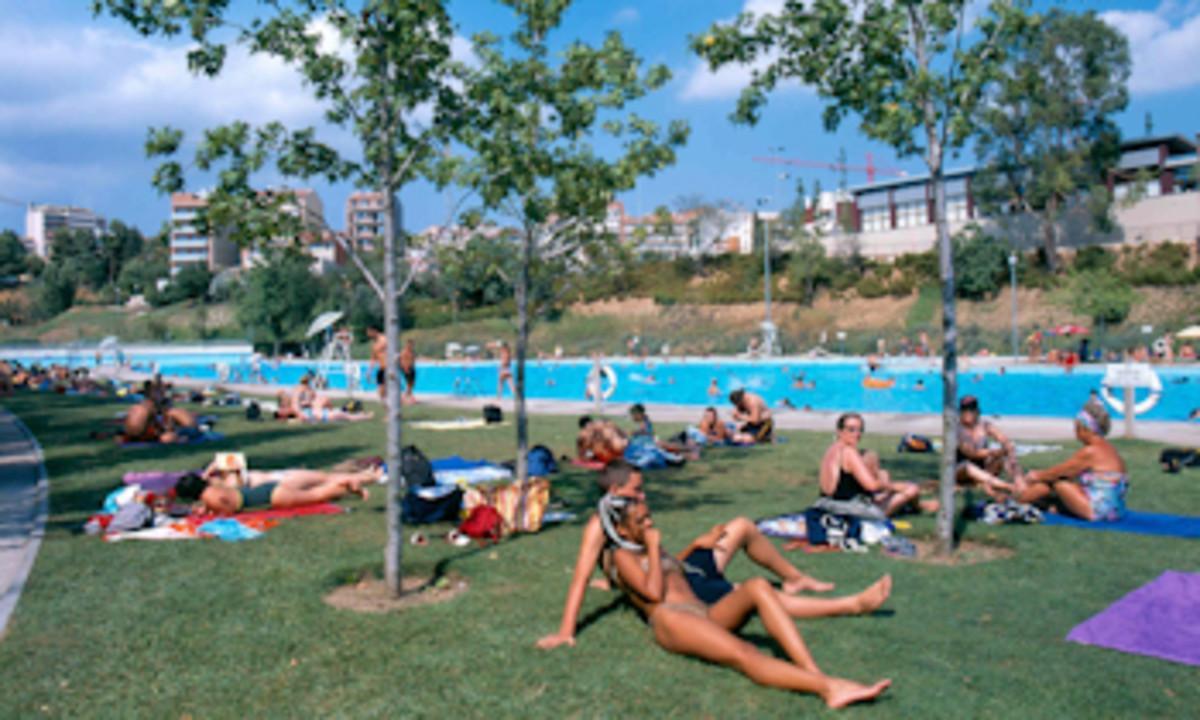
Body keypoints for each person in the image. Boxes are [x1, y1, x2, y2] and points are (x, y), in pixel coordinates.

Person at [537, 463, 893, 654]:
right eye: (636, 490)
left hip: (685, 568)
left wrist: (696, 544)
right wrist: (567, 632)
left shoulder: (630, 524)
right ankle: (849, 604)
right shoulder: (600, 526)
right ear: (615, 493)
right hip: (688, 588)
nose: (643, 495)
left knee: (740, 526)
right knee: (752, 594)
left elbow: (664, 565)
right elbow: (580, 577)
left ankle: (796, 576)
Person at [598, 495, 891, 709]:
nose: (649, 524)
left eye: (649, 516)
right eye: (641, 521)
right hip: (673, 618)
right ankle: (829, 688)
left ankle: (812, 671)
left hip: (704, 611)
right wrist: (651, 547)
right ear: (621, 531)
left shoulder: (646, 545)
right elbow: (651, 594)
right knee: (745, 654)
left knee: (758, 587)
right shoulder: (623, 556)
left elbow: (672, 568)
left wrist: (693, 546)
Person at [1016, 400, 1128, 521]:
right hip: (1116, 511)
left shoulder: (1090, 451)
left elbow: (1059, 472)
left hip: (1098, 512)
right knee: (1058, 484)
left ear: (1084, 429)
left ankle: (1016, 501)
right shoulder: (1109, 449)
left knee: (1057, 482)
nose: (1075, 431)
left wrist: (1035, 476)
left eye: (1077, 427)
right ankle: (1038, 502)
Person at [819, 413, 924, 517]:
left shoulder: (832, 449)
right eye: (851, 429)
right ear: (839, 431)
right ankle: (915, 508)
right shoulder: (848, 452)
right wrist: (893, 486)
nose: (857, 434)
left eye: (860, 430)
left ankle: (915, 506)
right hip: (848, 510)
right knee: (912, 489)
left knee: (884, 475)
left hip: (825, 504)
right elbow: (872, 486)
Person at [177, 464, 377, 514]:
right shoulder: (213, 487)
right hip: (267, 490)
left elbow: (227, 509)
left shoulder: (210, 497)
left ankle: (348, 486)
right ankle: (349, 485)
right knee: (315, 492)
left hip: (270, 498)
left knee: (317, 495)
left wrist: (209, 512)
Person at [956, 396, 1018, 499]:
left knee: (1001, 458)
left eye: (971, 410)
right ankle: (1007, 486)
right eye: (964, 410)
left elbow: (1003, 439)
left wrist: (1008, 449)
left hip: (982, 469)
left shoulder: (984, 426)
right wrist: (993, 452)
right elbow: (970, 453)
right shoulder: (957, 430)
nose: (968, 413)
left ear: (977, 411)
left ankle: (1012, 481)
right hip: (960, 471)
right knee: (967, 466)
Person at [399, 338, 417, 404]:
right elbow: (401, 361)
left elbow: (413, 360)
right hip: (406, 369)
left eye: (413, 345)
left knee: (412, 384)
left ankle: (407, 398)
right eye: (411, 344)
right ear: (407, 344)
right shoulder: (404, 352)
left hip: (412, 369)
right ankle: (406, 398)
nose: (412, 346)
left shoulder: (413, 352)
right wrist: (405, 368)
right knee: (409, 384)